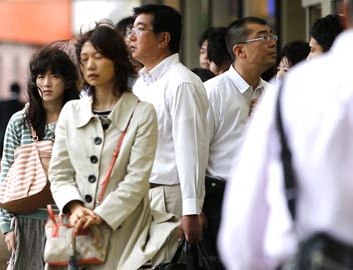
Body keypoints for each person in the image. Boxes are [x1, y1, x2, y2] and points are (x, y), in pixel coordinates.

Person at [218, 1, 353, 269]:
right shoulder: (218, 93)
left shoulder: (292, 91)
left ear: (346, 12)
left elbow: (243, 233)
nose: (271, 43)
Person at [49, 22, 178, 269]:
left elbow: (137, 179)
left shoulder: (142, 113)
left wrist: (100, 215)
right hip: (77, 231)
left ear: (117, 60)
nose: (90, 65)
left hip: (124, 231)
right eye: (84, 59)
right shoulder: (71, 111)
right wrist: (75, 208)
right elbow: (59, 172)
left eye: (98, 57)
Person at [130, 4, 209, 244]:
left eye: (140, 29)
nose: (131, 37)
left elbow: (191, 150)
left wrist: (191, 210)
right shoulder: (141, 84)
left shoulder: (181, 83)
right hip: (142, 194)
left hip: (169, 195)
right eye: (131, 30)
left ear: (164, 38)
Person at [0, 43, 79, 269]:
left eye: (55, 75)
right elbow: (6, 173)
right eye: (41, 76)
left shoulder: (79, 120)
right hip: (26, 221)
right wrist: (7, 227)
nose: (47, 83)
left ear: (68, 80)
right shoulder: (19, 121)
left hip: (67, 220)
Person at [203, 16, 277, 267]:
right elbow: (196, 154)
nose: (272, 43)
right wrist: (194, 209)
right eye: (263, 37)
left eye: (272, 36)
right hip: (219, 198)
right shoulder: (212, 93)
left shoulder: (273, 94)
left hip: (265, 198)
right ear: (239, 50)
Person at [0, 82, 24, 157]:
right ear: (19, 91)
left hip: (1, 141)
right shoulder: (22, 105)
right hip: (17, 142)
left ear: (10, 90)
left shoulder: (1, 104)